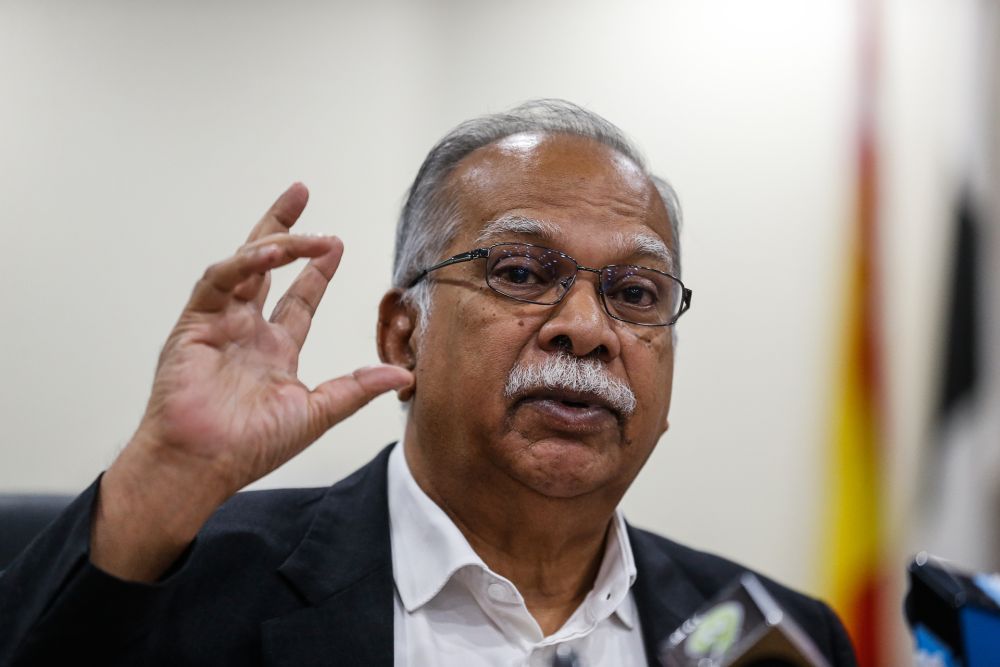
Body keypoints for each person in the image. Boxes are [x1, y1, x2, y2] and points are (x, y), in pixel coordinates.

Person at [0, 100, 857, 666]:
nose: (589, 329)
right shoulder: (196, 588)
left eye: (636, 294)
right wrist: (160, 477)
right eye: (521, 272)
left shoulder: (780, 637)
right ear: (402, 334)